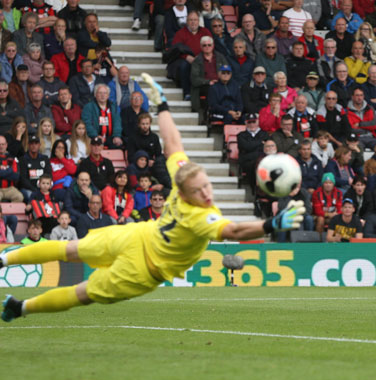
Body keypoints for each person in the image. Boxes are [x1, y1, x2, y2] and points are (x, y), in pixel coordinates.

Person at [1, 75, 306, 323]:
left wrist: (162, 106)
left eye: (207, 186)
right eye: (200, 190)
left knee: (83, 293)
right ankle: (3, 258)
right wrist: (271, 224)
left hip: (143, 269)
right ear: (184, 191)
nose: (207, 192)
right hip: (138, 237)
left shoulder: (193, 196)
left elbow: (175, 148)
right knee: (71, 249)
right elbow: (233, 229)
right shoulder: (196, 207)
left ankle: (21, 307)